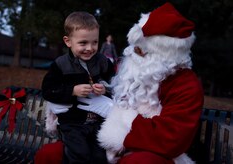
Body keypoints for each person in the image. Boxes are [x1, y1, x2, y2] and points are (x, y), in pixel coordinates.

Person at [35, 2, 204, 164]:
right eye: (134, 48)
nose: (134, 54)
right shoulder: (132, 69)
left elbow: (170, 139)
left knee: (139, 162)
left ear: (164, 55)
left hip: (147, 150)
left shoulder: (186, 85)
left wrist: (115, 113)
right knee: (50, 154)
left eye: (140, 51)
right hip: (102, 140)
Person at [35, 11, 115, 164]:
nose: (90, 48)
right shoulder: (61, 65)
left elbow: (115, 84)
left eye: (95, 42)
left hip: (98, 121)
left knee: (100, 156)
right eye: (83, 43)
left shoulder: (103, 62)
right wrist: (72, 90)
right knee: (79, 154)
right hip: (72, 123)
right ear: (68, 41)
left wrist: (105, 89)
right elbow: (48, 90)